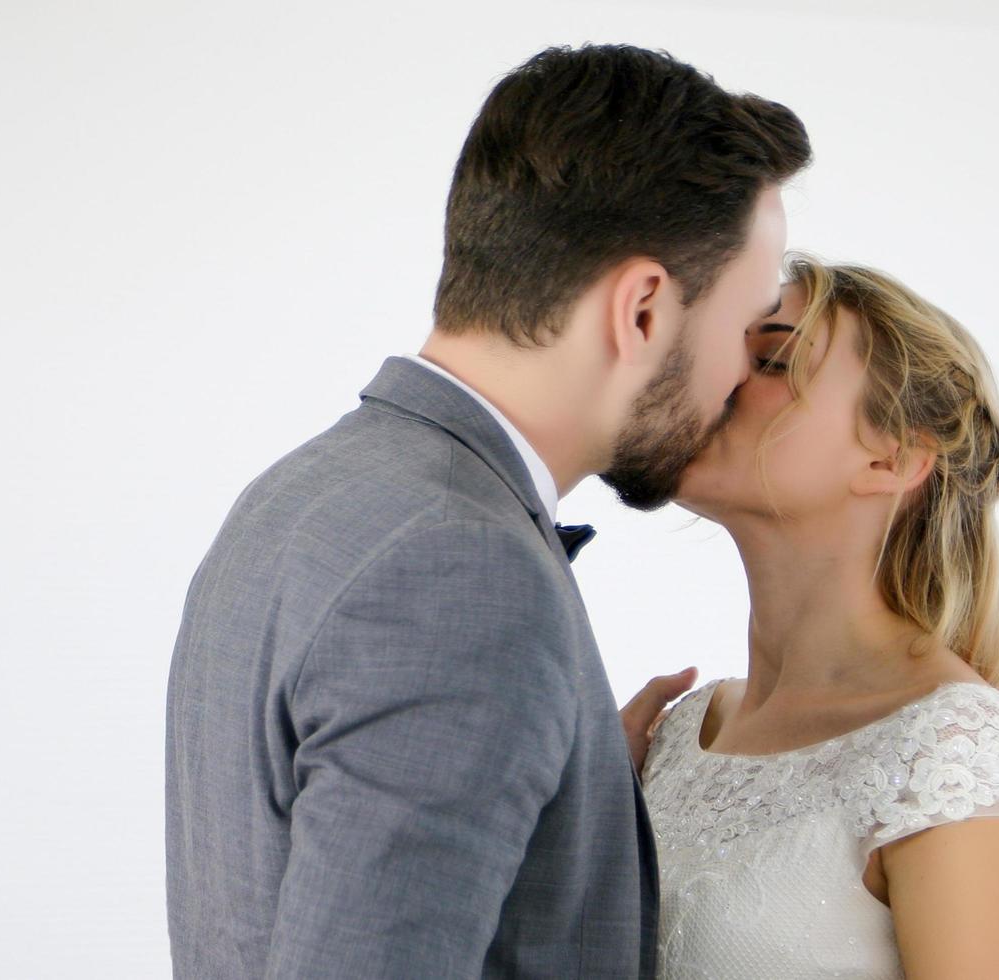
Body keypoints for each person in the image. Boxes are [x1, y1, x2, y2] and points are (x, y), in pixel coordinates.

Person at [165, 44, 810, 977]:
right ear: (641, 309)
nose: (743, 374)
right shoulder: (460, 572)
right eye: (746, 329)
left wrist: (577, 792)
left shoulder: (300, 496)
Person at [628, 256, 999, 978]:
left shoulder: (948, 751)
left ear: (890, 460)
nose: (713, 378)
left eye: (769, 359)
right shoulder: (676, 735)